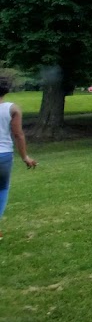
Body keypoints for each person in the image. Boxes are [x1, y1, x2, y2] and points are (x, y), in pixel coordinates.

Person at [0, 79, 37, 239]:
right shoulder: (12, 109)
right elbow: (18, 135)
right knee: (2, 189)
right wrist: (25, 157)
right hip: (3, 155)